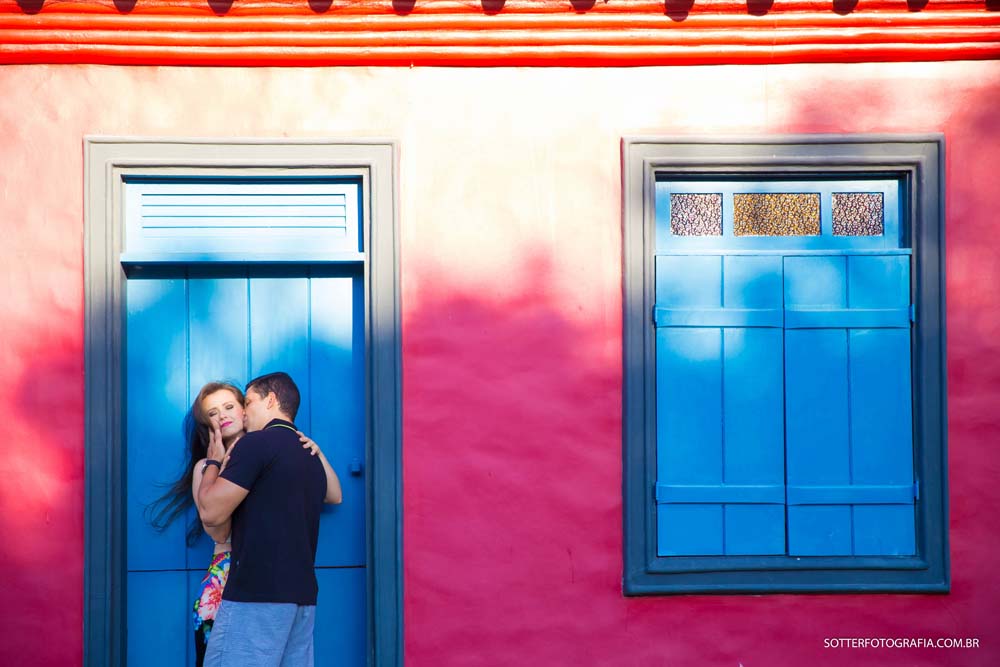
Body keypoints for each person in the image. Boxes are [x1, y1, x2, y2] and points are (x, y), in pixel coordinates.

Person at [148, 380, 341, 667]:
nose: (223, 415)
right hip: (226, 580)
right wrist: (216, 463)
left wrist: (316, 450)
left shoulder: (265, 448)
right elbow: (218, 527)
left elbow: (334, 495)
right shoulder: (211, 465)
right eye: (212, 413)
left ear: (245, 410)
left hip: (258, 586)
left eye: (233, 406)